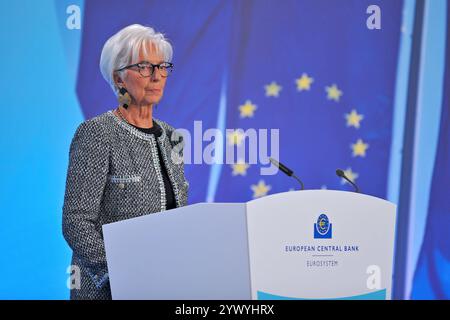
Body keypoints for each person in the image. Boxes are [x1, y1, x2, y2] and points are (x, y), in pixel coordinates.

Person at [62, 24, 189, 300]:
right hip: (108, 292)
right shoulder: (97, 133)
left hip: (164, 287)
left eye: (162, 66)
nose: (157, 76)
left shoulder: (172, 137)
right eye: (145, 67)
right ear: (119, 78)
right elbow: (76, 222)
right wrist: (120, 274)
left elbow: (180, 216)